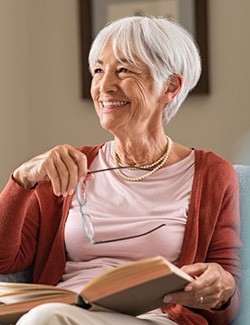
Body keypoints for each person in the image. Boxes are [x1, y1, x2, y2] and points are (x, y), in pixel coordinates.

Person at [0, 16, 240, 325]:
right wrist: (22, 180)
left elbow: (228, 285)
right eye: (99, 70)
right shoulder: (69, 167)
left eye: (124, 70)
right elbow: (5, 261)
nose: (104, 86)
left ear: (170, 86)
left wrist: (224, 287)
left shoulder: (212, 175)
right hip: (68, 311)